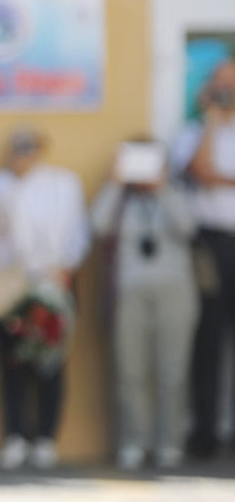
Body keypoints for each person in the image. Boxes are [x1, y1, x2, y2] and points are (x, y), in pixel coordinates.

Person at [0, 128, 90, 470]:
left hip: (55, 282)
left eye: (30, 148)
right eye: (18, 148)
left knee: (51, 362)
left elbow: (78, 231)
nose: (24, 155)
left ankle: (45, 439)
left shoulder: (64, 184)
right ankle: (15, 437)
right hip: (13, 287)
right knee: (12, 363)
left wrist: (64, 268)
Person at [92, 139, 198, 469]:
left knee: (173, 369)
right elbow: (98, 225)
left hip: (175, 289)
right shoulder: (120, 197)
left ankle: (169, 444)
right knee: (130, 370)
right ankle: (133, 442)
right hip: (130, 291)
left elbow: (188, 227)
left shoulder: (175, 192)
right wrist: (115, 181)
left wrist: (162, 187)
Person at [170, 59, 235, 459]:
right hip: (209, 245)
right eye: (220, 84)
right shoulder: (192, 133)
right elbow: (199, 171)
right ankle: (206, 431)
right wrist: (211, 122)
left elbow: (214, 176)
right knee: (208, 339)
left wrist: (220, 178)